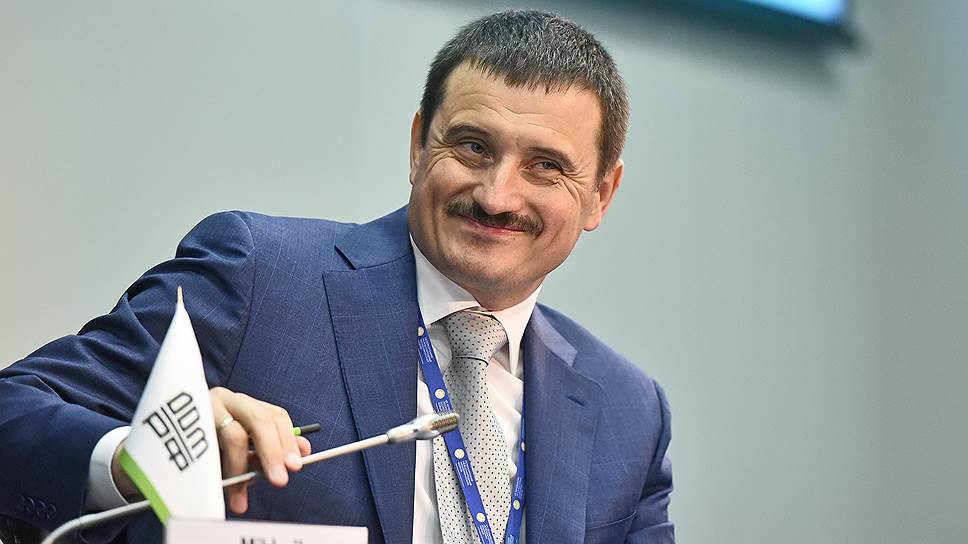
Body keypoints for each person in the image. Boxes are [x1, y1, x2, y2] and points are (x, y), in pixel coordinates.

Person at [0, 10, 673, 544]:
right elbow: (13, 412)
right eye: (473, 147)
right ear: (418, 145)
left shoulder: (629, 411)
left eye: (545, 166)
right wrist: (140, 453)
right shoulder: (260, 277)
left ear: (601, 195)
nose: (497, 196)